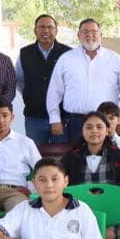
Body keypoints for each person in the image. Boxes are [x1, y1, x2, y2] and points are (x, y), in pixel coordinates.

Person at [46, 19, 120, 142]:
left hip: (107, 122)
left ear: (101, 34)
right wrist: (54, 119)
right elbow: (54, 91)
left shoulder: (114, 59)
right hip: (76, 123)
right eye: (85, 31)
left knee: (107, 159)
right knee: (77, 160)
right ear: (78, 35)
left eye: (94, 31)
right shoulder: (66, 59)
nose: (90, 35)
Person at [15, 14, 71, 146]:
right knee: (35, 156)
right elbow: (20, 81)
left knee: (62, 158)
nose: (45, 30)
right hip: (34, 117)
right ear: (35, 30)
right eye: (41, 27)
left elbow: (72, 84)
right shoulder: (25, 53)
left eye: (50, 27)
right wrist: (33, 95)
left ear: (56, 31)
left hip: (63, 117)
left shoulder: (67, 53)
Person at [62, 112, 120, 189]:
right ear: (82, 131)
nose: (94, 131)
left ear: (107, 131)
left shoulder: (117, 155)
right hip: (78, 201)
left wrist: (110, 190)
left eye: (99, 127)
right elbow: (59, 181)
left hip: (110, 201)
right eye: (89, 127)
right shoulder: (71, 156)